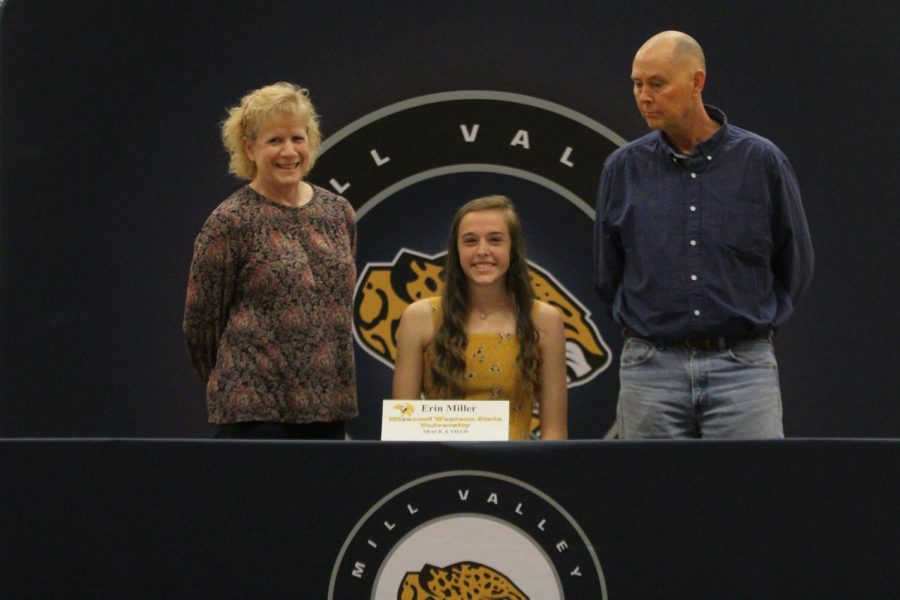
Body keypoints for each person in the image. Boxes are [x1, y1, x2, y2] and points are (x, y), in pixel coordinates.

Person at [594, 31, 814, 439]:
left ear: (697, 82)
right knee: (648, 499)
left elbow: (794, 261)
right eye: (637, 84)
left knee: (752, 497)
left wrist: (755, 332)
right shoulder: (622, 169)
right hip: (651, 369)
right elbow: (608, 273)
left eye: (658, 84)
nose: (644, 96)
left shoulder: (761, 161)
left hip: (743, 371)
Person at [183, 82, 357, 439]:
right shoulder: (230, 221)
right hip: (254, 412)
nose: (288, 151)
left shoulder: (338, 212)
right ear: (249, 148)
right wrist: (236, 379)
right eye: (274, 140)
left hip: (328, 406)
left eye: (297, 137)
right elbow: (201, 324)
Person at [393, 195, 568, 440]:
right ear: (456, 250)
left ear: (513, 249)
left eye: (495, 240)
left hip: (517, 470)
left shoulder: (545, 320)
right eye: (470, 241)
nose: (482, 251)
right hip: (439, 471)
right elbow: (403, 431)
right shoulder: (418, 318)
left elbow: (555, 433)